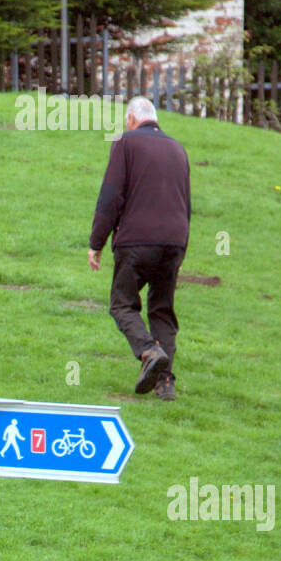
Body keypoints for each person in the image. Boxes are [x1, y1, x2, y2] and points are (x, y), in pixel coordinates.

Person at [88, 96, 191, 401]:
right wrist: (181, 249)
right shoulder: (178, 148)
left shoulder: (125, 142)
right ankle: (166, 384)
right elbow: (186, 205)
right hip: (173, 241)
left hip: (136, 240)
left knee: (122, 304)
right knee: (162, 309)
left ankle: (148, 352)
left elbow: (111, 196)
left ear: (132, 119)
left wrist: (96, 243)